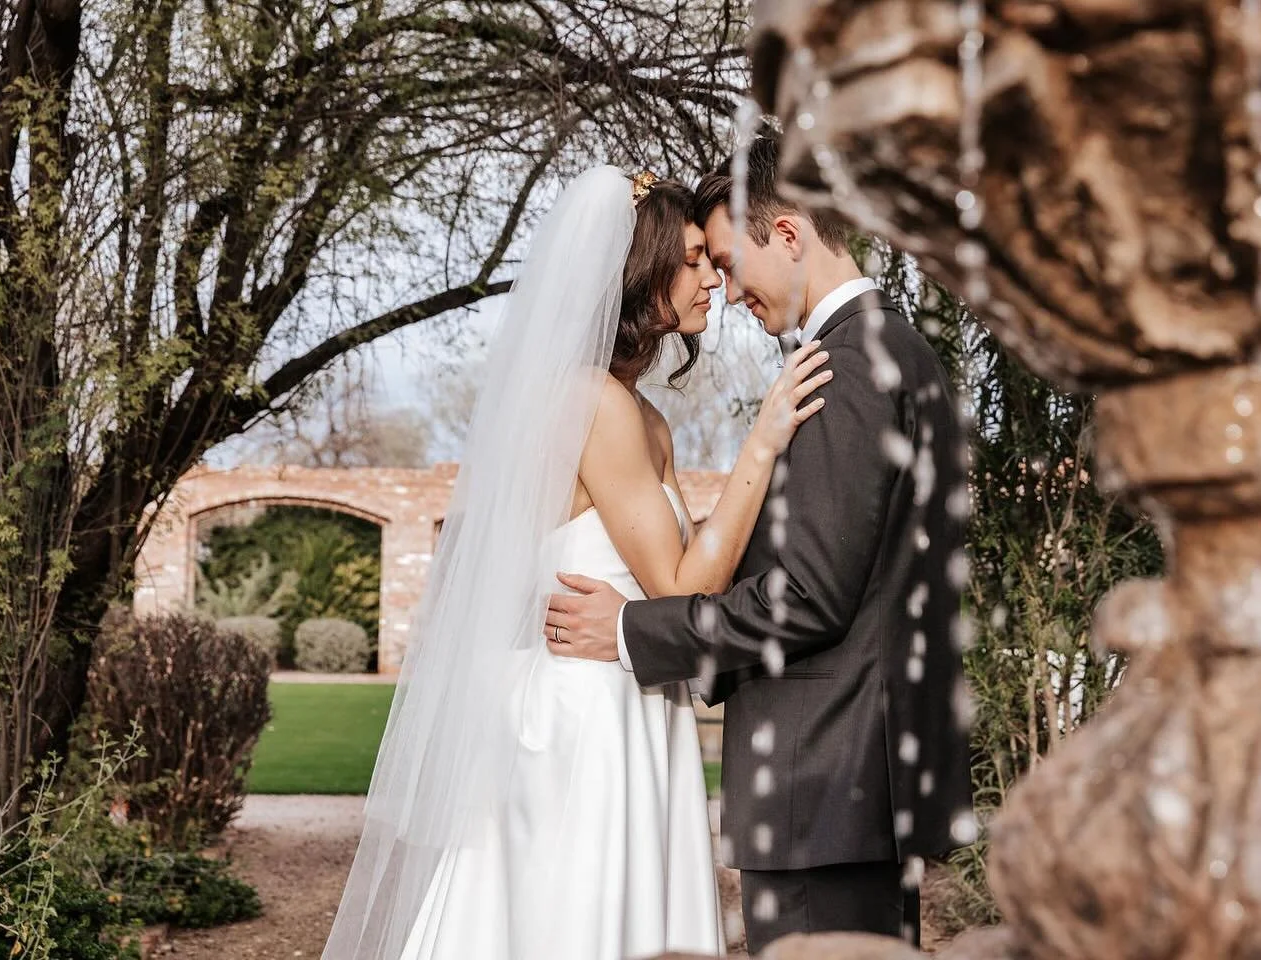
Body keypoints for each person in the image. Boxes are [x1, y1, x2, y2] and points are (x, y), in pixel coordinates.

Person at [321, 166, 831, 960]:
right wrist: (761, 445)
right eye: (693, 258)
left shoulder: (642, 414)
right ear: (640, 270)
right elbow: (683, 585)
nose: (712, 278)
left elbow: (698, 567)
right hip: (581, 718)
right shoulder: (592, 401)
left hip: (630, 696)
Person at [546, 136, 975, 953]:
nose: (728, 286)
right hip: (852, 782)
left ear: (787, 235)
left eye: (731, 260)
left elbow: (808, 594)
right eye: (704, 264)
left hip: (823, 779)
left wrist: (634, 632)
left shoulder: (847, 367)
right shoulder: (897, 354)